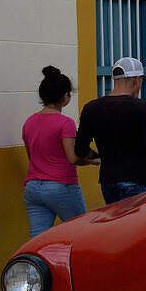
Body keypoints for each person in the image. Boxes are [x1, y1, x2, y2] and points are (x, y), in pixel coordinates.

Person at [75, 57, 146, 204]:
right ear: (137, 79)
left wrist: (102, 156)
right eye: (142, 81)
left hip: (108, 183)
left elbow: (80, 151)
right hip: (136, 180)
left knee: (116, 225)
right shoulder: (140, 107)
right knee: (135, 225)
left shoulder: (91, 108)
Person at [22, 66, 99, 237]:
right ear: (65, 97)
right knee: (81, 232)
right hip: (61, 186)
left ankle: (35, 264)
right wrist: (93, 161)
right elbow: (72, 158)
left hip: (33, 188)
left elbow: (32, 157)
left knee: (38, 239)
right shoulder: (65, 123)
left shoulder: (29, 122)